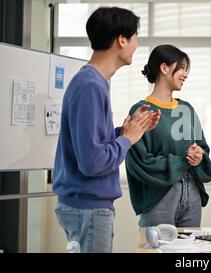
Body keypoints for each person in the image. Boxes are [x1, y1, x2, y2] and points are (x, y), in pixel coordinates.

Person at [53, 7, 161, 253]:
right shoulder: (90, 86)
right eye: (135, 37)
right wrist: (127, 139)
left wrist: (126, 130)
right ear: (122, 39)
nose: (136, 44)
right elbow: (92, 162)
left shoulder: (94, 82)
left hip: (86, 206)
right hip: (89, 208)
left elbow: (91, 143)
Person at [125, 44, 211, 228]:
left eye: (186, 69)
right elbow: (140, 162)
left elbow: (202, 148)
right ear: (164, 68)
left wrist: (198, 157)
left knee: (189, 252)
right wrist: (183, 160)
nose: (185, 74)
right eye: (181, 67)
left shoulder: (186, 109)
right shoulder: (142, 110)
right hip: (159, 197)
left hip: (192, 195)